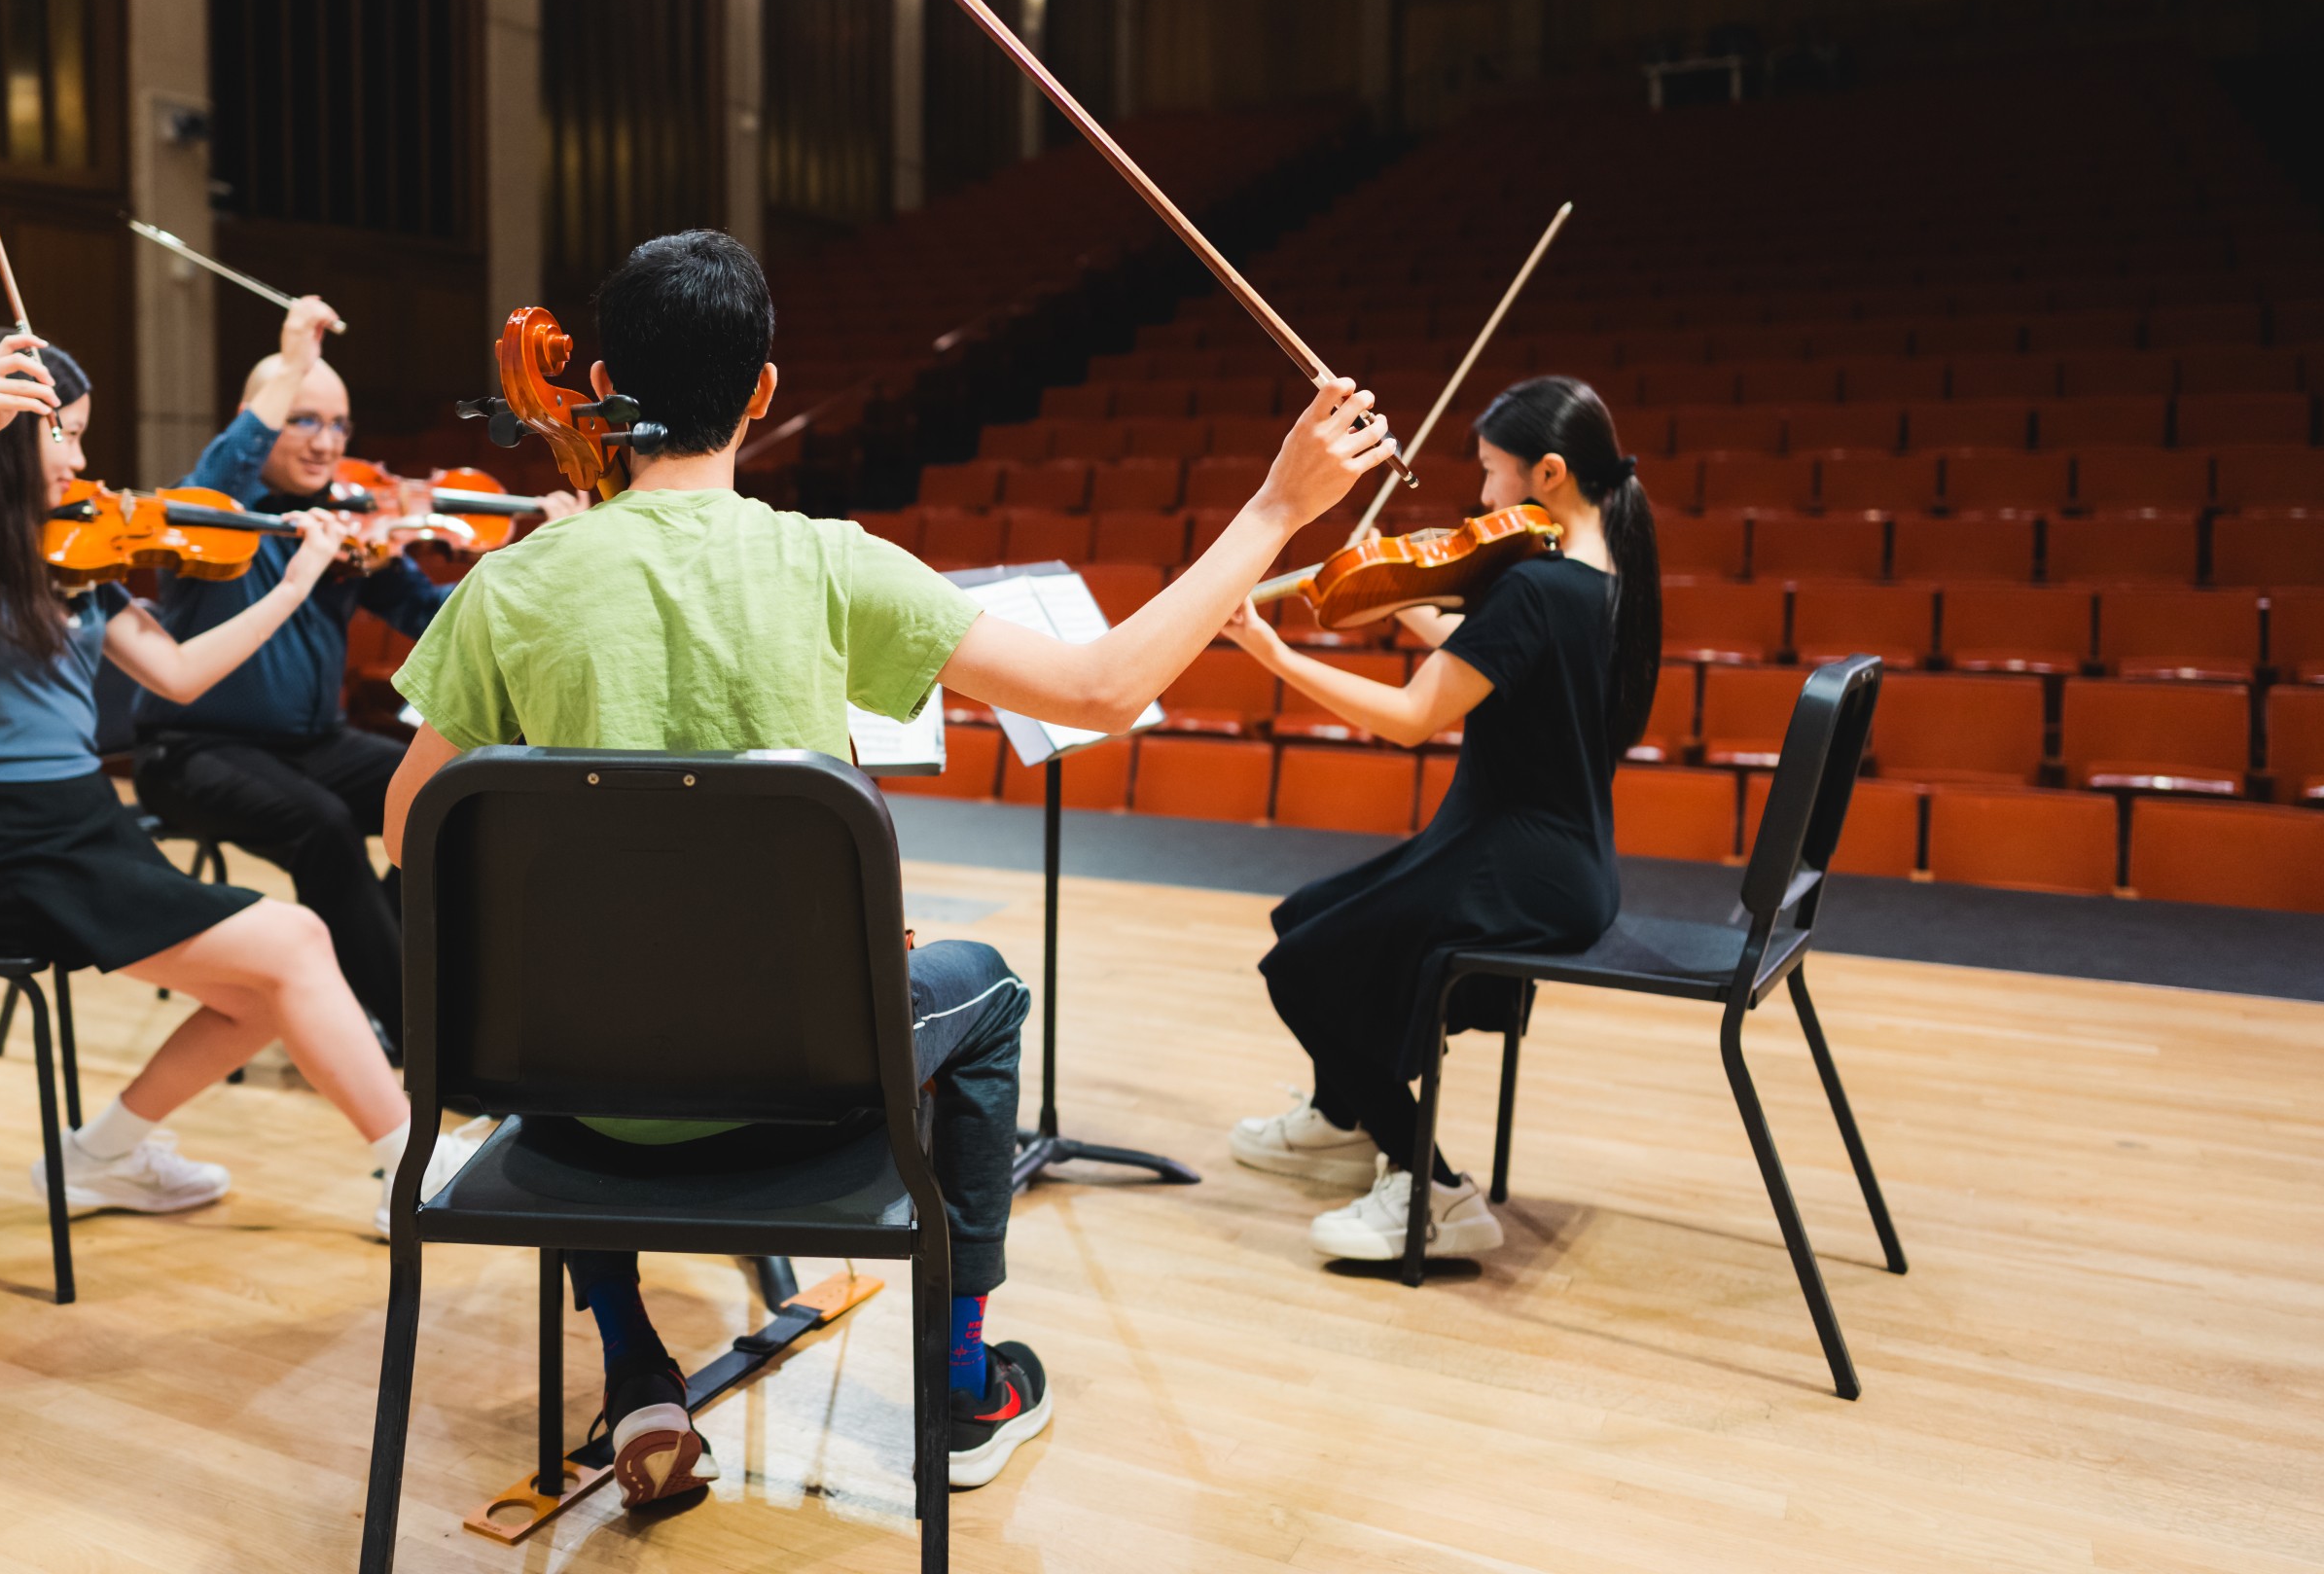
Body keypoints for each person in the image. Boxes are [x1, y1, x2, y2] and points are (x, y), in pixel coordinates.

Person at [379, 231, 1400, 1508]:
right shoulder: (827, 565)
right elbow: (1103, 687)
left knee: (578, 993)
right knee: (992, 997)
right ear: (761, 391)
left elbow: (408, 828)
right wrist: (1275, 507)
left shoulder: (508, 590)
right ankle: (965, 1384)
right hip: (803, 1085)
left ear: (600, 386)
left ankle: (636, 1363)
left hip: (574, 1096)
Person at [0, 325, 471, 1227]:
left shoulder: (72, 571)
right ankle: (412, 1165)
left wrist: (297, 581)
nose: (80, 458)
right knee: (299, 943)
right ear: (0, 436)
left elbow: (181, 674)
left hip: (80, 826)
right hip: (3, 848)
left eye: (80, 433)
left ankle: (97, 1155)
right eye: (60, 433)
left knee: (267, 992)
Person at [1214, 376, 1662, 1265]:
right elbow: (1496, 660)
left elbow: (1416, 716)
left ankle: (1433, 1188)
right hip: (1569, 864)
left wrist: (1272, 654)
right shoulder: (1608, 584)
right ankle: (1344, 1116)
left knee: (1302, 969)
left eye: (1494, 475)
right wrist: (1402, 590)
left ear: (1550, 475)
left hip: (1515, 860)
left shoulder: (1533, 587)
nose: (1482, 498)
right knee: (1306, 917)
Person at [130, 297, 580, 1047]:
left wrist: (546, 556)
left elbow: (438, 615)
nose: (325, 442)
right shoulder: (211, 509)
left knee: (451, 793)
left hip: (311, 745)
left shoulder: (348, 527)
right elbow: (228, 462)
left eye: (338, 425)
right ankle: (416, 1030)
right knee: (323, 825)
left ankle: (355, 984)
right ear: (260, 414)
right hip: (193, 751)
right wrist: (294, 362)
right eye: (304, 419)